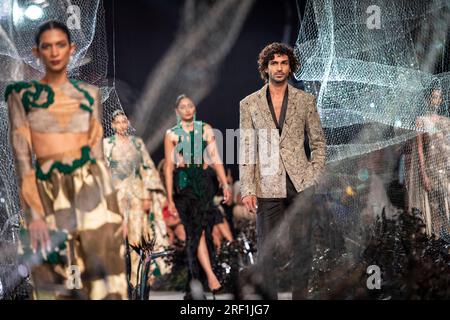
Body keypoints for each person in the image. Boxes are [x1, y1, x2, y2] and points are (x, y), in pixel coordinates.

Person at [6, 20, 126, 299]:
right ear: (37, 52)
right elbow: (22, 160)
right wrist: (34, 213)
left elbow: (97, 154)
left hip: (89, 192)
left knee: (98, 281)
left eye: (61, 45)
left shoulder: (90, 95)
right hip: (46, 192)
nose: (55, 52)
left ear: (72, 49)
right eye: (47, 46)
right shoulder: (22, 98)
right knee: (53, 281)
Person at [239, 42, 326, 299]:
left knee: (302, 246)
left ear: (290, 67)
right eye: (274, 63)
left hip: (300, 184)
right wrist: (247, 188)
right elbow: (246, 148)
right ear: (265, 67)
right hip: (266, 184)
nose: (279, 68)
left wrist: (314, 175)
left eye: (284, 63)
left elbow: (319, 143)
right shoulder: (249, 103)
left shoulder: (305, 100)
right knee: (267, 250)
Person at [164, 94, 232, 298]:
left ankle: (195, 284)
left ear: (194, 108)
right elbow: (168, 167)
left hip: (203, 184)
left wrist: (225, 183)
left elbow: (215, 157)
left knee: (204, 232)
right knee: (195, 234)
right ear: (177, 111)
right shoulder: (171, 134)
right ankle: (207, 279)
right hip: (184, 186)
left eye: (190, 106)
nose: (187, 110)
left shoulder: (205, 128)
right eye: (182, 107)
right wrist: (169, 198)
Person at [103, 110, 171, 288]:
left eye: (124, 121)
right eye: (117, 122)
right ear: (112, 125)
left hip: (137, 195)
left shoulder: (137, 144)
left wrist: (149, 194)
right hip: (115, 196)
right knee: (116, 238)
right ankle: (116, 280)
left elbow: (147, 169)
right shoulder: (106, 145)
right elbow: (101, 170)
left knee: (136, 237)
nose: (121, 125)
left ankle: (137, 279)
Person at [406, 87, 450, 238]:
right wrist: (423, 174)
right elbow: (419, 149)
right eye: (433, 97)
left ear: (441, 100)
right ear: (428, 99)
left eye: (438, 97)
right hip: (431, 168)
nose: (435, 100)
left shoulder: (447, 121)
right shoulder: (421, 121)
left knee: (447, 204)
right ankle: (436, 240)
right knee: (434, 207)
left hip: (446, 167)